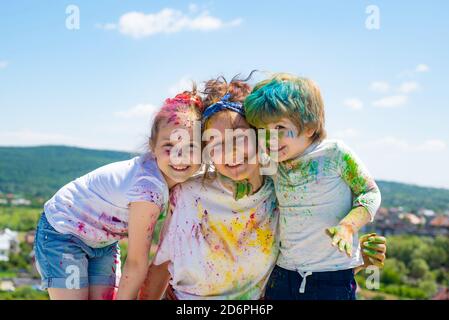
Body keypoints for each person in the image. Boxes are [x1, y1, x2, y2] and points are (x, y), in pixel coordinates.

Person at [33, 90, 203, 299]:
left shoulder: (179, 176)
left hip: (102, 242)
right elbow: (136, 263)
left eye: (191, 146)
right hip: (64, 232)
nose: (180, 156)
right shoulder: (147, 189)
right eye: (169, 145)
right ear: (152, 146)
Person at [244, 73, 382, 300]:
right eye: (262, 130)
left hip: (332, 277)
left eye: (280, 127)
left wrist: (348, 226)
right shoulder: (272, 162)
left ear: (309, 126)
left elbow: (370, 193)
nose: (270, 139)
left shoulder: (335, 153)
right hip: (283, 274)